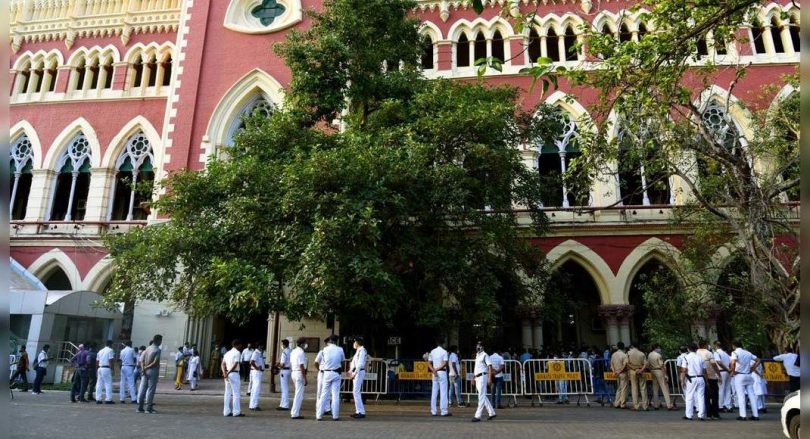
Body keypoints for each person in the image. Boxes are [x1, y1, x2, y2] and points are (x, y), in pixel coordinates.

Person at [729, 340, 760, 421]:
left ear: (734, 346)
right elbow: (758, 360)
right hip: (748, 375)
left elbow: (733, 362)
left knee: (741, 396)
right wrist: (753, 368)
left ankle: (743, 415)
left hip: (740, 375)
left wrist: (733, 371)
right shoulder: (748, 353)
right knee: (752, 396)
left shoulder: (734, 353)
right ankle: (755, 415)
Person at [316, 334, 345, 421]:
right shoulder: (340, 349)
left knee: (324, 395)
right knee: (335, 395)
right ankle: (335, 416)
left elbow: (320, 361)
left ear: (330, 341)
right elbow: (342, 361)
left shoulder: (324, 350)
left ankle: (319, 415)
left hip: (326, 373)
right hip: (336, 373)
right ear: (336, 341)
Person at [470, 340, 496, 422]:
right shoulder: (477, 355)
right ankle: (492, 412)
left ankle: (478, 416)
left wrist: (489, 378)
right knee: (482, 396)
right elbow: (476, 368)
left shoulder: (485, 355)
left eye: (480, 345)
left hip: (482, 377)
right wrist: (473, 377)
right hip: (477, 377)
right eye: (477, 345)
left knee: (481, 396)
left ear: (483, 347)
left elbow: (490, 366)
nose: (478, 346)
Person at [680, 342, 706, 421]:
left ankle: (689, 415)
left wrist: (682, 380)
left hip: (691, 378)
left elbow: (684, 370)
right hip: (701, 378)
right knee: (701, 396)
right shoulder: (700, 357)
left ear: (688, 349)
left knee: (689, 396)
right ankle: (701, 415)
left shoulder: (686, 358)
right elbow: (704, 370)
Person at [137, 335, 162, 414]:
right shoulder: (157, 350)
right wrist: (147, 367)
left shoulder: (147, 349)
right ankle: (148, 408)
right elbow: (155, 362)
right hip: (152, 371)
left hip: (144, 371)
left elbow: (141, 361)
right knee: (151, 389)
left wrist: (143, 368)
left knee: (143, 389)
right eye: (161, 340)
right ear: (158, 340)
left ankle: (140, 407)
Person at [697, 340, 721, 420]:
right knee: (714, 396)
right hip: (711, 376)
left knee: (706, 396)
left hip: (702, 377)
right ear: (706, 345)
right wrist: (719, 374)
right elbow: (714, 364)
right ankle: (715, 414)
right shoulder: (709, 353)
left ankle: (708, 413)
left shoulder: (696, 353)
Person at [428, 336, 450, 417]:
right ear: (443, 343)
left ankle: (433, 411)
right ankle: (444, 411)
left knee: (434, 392)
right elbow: (445, 363)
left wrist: (434, 370)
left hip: (434, 373)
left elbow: (429, 363)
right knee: (443, 392)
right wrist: (437, 369)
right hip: (442, 372)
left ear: (436, 343)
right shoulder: (444, 352)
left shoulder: (432, 351)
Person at [221, 339, 244, 417]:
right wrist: (228, 373)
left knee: (227, 393)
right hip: (234, 374)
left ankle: (226, 411)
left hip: (227, 374)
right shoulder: (237, 352)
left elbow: (223, 364)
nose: (241, 346)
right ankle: (236, 412)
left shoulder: (227, 353)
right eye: (240, 345)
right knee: (236, 393)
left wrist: (225, 373)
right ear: (237, 345)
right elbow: (235, 364)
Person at [647, 343, 673, 410]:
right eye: (658, 347)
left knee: (655, 389)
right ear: (656, 348)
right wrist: (665, 374)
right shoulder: (658, 355)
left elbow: (648, 365)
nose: (659, 349)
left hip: (653, 371)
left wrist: (651, 370)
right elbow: (661, 366)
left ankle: (656, 405)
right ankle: (669, 405)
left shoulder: (649, 355)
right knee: (664, 388)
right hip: (659, 371)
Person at [290, 337, 308, 420]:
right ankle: (295, 413)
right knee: (299, 395)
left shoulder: (293, 351)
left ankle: (294, 412)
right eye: (305, 343)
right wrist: (305, 378)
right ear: (302, 344)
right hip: (299, 373)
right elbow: (301, 366)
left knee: (297, 393)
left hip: (293, 372)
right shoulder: (301, 352)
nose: (306, 345)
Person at [627, 343, 648, 411]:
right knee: (643, 388)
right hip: (641, 371)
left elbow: (627, 363)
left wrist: (635, 369)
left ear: (632, 346)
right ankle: (645, 406)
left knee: (634, 388)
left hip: (633, 371)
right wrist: (641, 370)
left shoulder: (628, 353)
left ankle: (636, 406)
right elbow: (645, 364)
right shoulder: (642, 353)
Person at [349, 337, 367, 419]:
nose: (353, 344)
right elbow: (354, 362)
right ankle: (358, 411)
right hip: (357, 372)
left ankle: (361, 412)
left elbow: (359, 364)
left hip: (359, 372)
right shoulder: (358, 351)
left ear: (357, 343)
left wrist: (354, 373)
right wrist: (350, 371)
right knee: (355, 392)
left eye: (354, 342)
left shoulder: (362, 351)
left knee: (356, 392)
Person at [713, 341, 733, 413]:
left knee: (720, 389)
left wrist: (726, 369)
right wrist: (729, 369)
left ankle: (720, 405)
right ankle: (728, 405)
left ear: (715, 346)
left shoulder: (716, 353)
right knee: (727, 388)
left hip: (721, 371)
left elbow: (719, 362)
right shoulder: (725, 353)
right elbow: (731, 362)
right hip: (727, 372)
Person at [94, 340, 115, 404]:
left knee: (99, 384)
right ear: (110, 344)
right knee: (108, 383)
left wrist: (96, 369)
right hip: (106, 368)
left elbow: (97, 361)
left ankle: (98, 399)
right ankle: (108, 399)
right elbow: (110, 360)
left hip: (100, 368)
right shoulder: (110, 350)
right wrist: (112, 369)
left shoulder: (100, 351)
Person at [610, 342, 628, 409]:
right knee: (623, 388)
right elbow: (625, 365)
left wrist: (614, 371)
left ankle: (616, 403)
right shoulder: (624, 355)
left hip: (616, 373)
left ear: (617, 347)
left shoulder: (613, 354)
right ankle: (622, 404)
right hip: (623, 373)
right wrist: (620, 371)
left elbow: (611, 365)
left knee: (619, 388)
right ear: (623, 347)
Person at [276, 339, 292, 410]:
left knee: (284, 388)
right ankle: (282, 404)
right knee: (285, 388)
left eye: (282, 344)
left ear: (284, 345)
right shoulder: (291, 351)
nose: (281, 345)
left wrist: (277, 366)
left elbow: (282, 364)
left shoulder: (284, 352)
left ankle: (285, 405)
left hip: (284, 370)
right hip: (289, 370)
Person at [249, 344, 265, 411]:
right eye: (262, 346)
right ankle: (254, 405)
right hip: (256, 372)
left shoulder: (259, 353)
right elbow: (251, 362)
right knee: (256, 389)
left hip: (257, 372)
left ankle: (252, 405)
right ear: (259, 346)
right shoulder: (256, 353)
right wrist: (257, 368)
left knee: (254, 389)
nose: (262, 347)